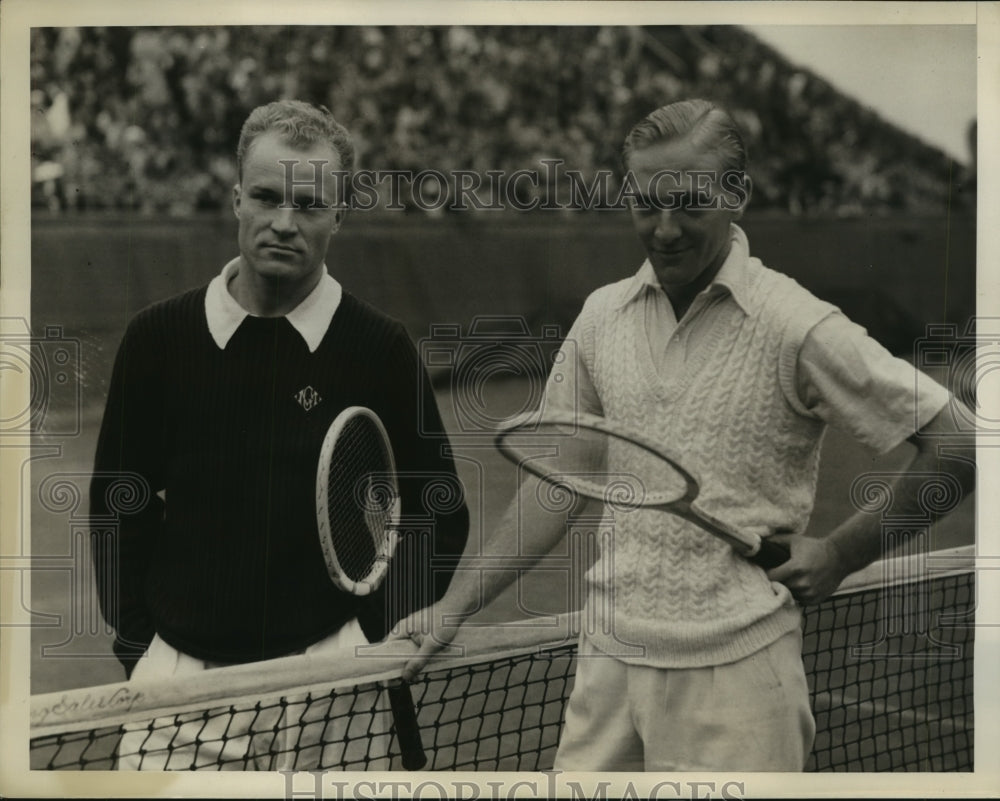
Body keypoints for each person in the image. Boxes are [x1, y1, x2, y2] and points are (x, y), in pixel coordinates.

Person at [400, 99, 975, 771]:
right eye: (646, 204)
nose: (664, 229)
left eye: (688, 204)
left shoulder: (798, 324)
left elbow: (959, 443)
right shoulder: (600, 316)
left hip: (739, 683)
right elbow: (559, 482)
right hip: (609, 664)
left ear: (737, 194)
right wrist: (452, 609)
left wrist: (843, 552)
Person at [89, 100, 469, 770]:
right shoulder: (158, 338)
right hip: (179, 688)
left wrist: (374, 634)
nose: (284, 223)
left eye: (309, 204)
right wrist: (140, 645)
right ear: (237, 199)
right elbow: (119, 502)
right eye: (265, 197)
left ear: (338, 215)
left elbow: (439, 510)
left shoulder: (378, 346)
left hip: (336, 683)